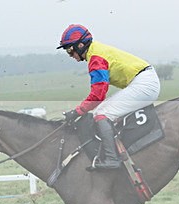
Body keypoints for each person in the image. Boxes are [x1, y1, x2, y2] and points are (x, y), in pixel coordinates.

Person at [57, 24, 160, 170]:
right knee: (104, 110)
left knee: (101, 113)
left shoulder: (96, 59)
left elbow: (98, 95)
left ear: (80, 45)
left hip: (144, 83)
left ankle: (112, 159)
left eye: (70, 50)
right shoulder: (96, 51)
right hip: (144, 80)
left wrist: (77, 111)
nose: (70, 55)